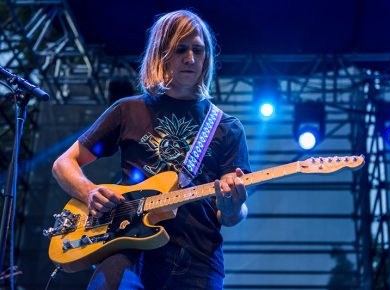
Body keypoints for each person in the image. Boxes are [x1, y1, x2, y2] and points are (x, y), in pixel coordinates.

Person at [52, 9, 251, 290]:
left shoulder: (226, 127)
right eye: (181, 49)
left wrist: (233, 208)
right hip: (126, 250)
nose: (191, 58)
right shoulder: (128, 110)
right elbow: (64, 163)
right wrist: (89, 191)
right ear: (161, 53)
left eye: (198, 50)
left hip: (197, 259)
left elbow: (231, 216)